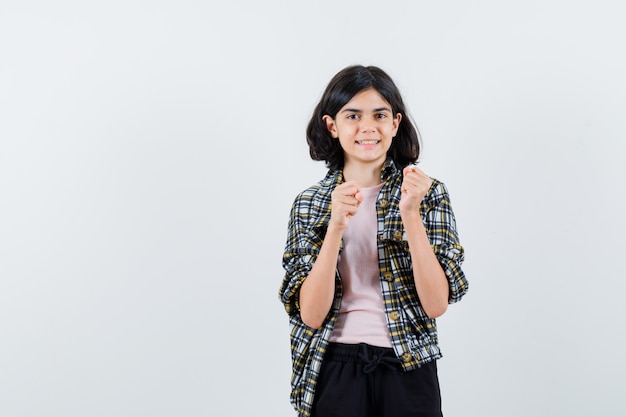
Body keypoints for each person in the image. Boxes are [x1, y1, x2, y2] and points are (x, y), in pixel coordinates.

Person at [278, 65, 469, 417]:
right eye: (353, 115)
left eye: (379, 115)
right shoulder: (309, 204)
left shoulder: (429, 194)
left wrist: (411, 214)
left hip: (408, 363)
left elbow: (436, 304)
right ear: (332, 126)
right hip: (334, 363)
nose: (368, 127)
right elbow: (312, 314)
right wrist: (334, 227)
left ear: (395, 124)